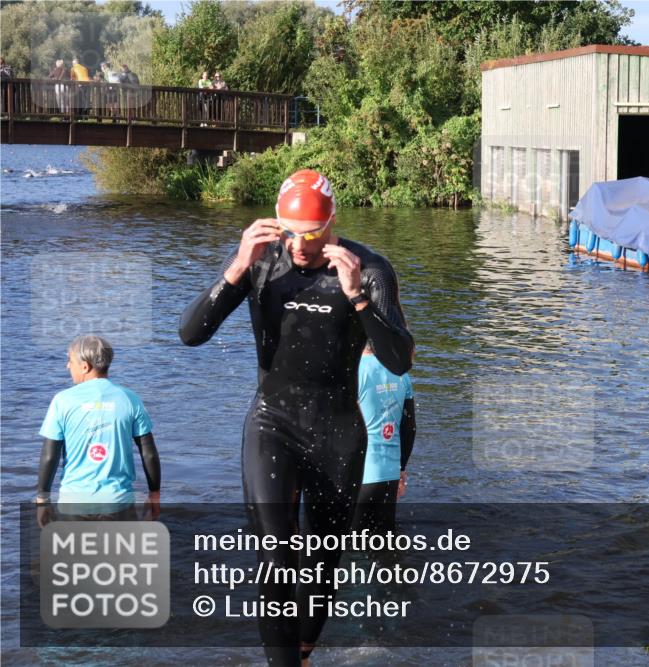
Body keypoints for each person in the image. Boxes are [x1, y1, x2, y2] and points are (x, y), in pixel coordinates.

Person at [179, 169, 413, 667]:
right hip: (273, 423)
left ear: (331, 223)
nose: (298, 246)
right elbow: (190, 334)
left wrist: (357, 296)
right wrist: (237, 267)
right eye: (290, 232)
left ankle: (301, 654)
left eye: (309, 234)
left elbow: (399, 359)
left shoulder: (369, 269)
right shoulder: (261, 260)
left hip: (338, 431)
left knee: (323, 563)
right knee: (275, 555)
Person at [36, 335, 161, 525]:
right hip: (118, 503)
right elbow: (149, 453)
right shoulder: (130, 399)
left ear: (85, 366)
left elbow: (49, 456)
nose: (67, 366)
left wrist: (42, 500)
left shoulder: (62, 401)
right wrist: (154, 493)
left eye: (70, 361)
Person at [352, 343, 416, 534]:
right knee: (384, 548)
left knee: (349, 550)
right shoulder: (401, 373)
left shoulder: (355, 370)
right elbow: (410, 428)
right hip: (389, 477)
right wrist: (401, 469)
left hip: (360, 476)